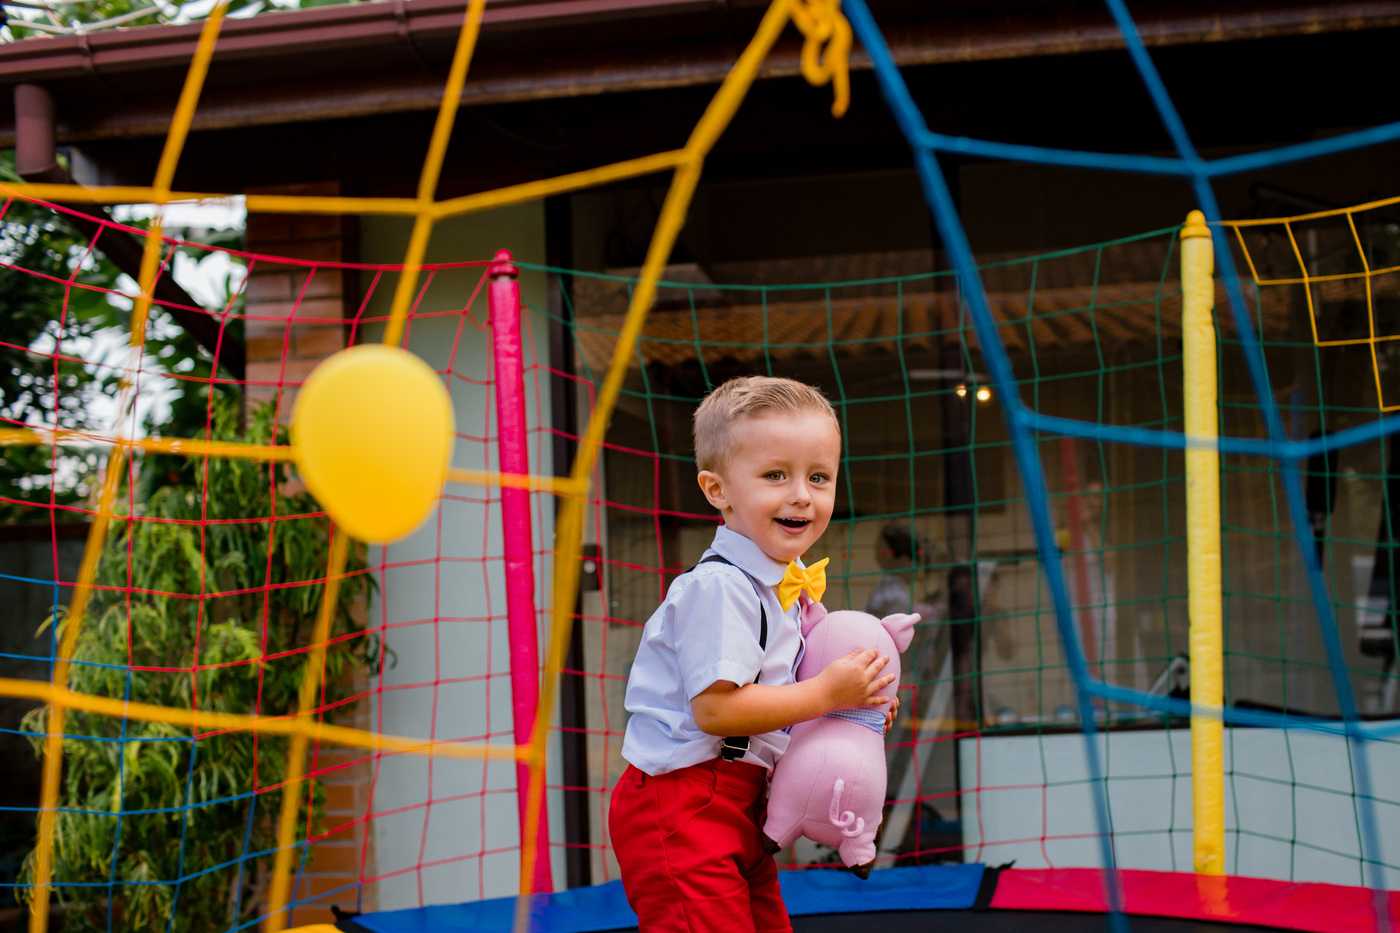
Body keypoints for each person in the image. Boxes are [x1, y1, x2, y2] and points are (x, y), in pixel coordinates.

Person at [609, 375, 897, 933]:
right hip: (683, 801)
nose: (801, 495)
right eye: (775, 475)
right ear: (717, 489)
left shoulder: (788, 588)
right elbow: (716, 709)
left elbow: (794, 694)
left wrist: (855, 705)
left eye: (819, 477)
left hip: (743, 799)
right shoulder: (721, 588)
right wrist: (826, 693)